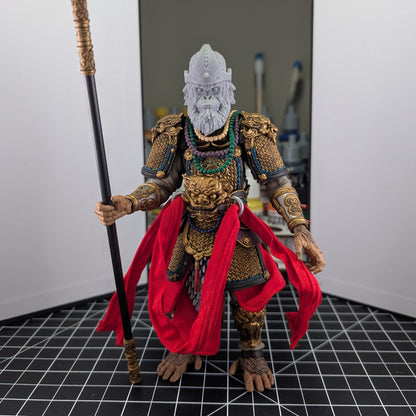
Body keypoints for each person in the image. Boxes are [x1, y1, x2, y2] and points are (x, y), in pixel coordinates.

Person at [95, 44, 325, 392]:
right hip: (192, 228)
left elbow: (278, 184)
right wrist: (128, 202)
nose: (206, 100)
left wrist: (300, 228)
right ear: (188, 89)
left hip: (235, 230)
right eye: (200, 92)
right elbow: (160, 185)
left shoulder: (248, 130)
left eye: (213, 91)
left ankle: (251, 353)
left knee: (248, 293)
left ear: (227, 87)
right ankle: (186, 344)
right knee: (181, 290)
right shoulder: (174, 131)